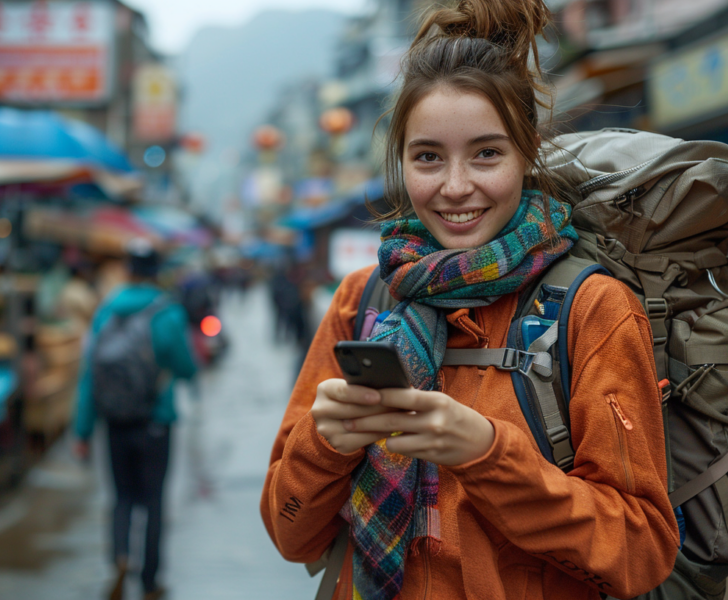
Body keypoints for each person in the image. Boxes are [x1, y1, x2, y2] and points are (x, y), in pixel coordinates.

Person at [260, 2, 679, 599]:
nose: (456, 187)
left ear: (527, 152)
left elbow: (641, 553)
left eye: (487, 153)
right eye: (428, 156)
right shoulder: (363, 299)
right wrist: (324, 444)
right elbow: (289, 534)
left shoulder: (591, 309)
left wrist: (489, 455)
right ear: (401, 162)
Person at [75, 239, 197, 600]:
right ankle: (150, 580)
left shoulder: (106, 311)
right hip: (156, 422)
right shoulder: (167, 313)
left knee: (122, 496)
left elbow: (88, 376)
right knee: (154, 500)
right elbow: (186, 367)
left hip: (115, 421)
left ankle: (119, 557)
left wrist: (82, 429)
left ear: (127, 270)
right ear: (156, 272)